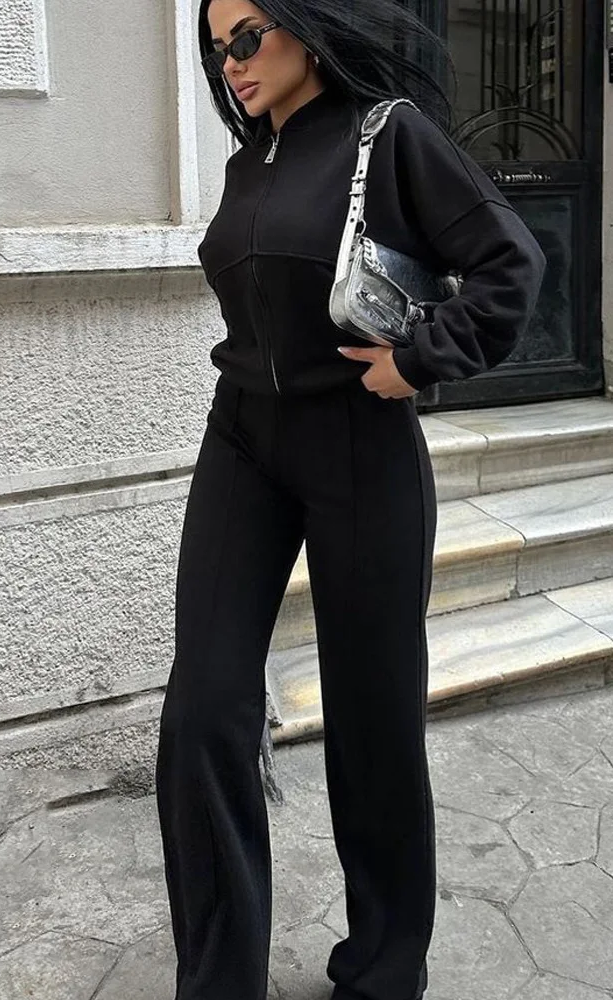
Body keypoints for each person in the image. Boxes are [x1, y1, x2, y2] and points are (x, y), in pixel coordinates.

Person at [155, 2, 546, 999]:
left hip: (361, 443)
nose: (232, 62)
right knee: (203, 708)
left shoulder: (390, 134)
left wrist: (419, 359)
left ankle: (380, 972)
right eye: (217, 48)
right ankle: (218, 979)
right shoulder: (251, 161)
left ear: (303, 24)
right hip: (242, 438)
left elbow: (510, 265)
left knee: (374, 724)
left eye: (247, 36)